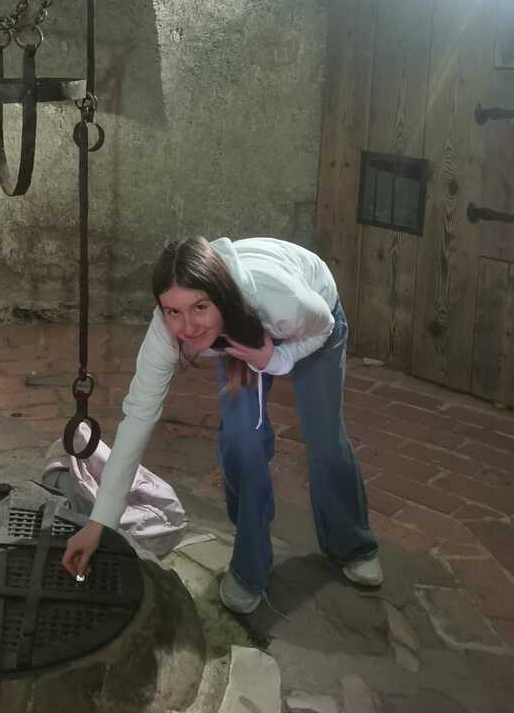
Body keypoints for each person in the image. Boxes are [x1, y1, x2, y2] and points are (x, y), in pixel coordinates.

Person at [60, 236, 380, 614]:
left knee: (324, 438)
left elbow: (322, 326)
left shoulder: (285, 300)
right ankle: (250, 568)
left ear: (219, 296)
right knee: (242, 443)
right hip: (239, 330)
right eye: (173, 311)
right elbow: (139, 416)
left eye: (199, 307)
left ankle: (353, 545)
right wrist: (100, 523)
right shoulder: (168, 330)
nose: (188, 327)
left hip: (310, 326)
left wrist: (274, 359)